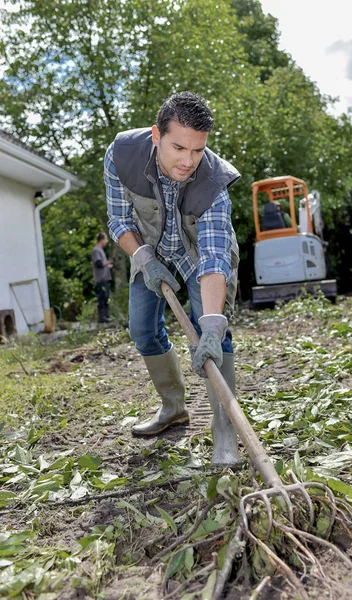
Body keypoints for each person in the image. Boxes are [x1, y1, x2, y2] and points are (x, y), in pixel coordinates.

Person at [104, 91, 241, 466]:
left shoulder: (214, 180)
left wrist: (211, 325)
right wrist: (144, 258)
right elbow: (119, 220)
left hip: (197, 254)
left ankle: (225, 431)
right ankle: (173, 407)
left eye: (198, 151)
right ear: (155, 135)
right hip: (148, 249)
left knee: (216, 334)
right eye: (179, 147)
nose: (188, 161)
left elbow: (214, 257)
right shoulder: (122, 155)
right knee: (142, 331)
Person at [91, 232, 113, 323]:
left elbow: (103, 265)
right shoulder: (96, 250)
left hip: (105, 278)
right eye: (106, 239)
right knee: (102, 298)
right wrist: (110, 261)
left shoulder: (100, 250)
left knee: (106, 298)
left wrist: (110, 265)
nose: (107, 241)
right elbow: (98, 264)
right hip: (101, 279)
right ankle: (102, 318)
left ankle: (106, 316)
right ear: (101, 240)